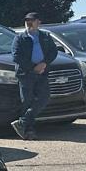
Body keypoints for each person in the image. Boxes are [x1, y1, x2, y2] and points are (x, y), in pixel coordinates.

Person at [10, 11, 59, 140]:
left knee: (44, 98)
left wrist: (44, 63)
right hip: (26, 74)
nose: (29, 23)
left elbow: (53, 52)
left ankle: (22, 122)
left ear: (38, 22)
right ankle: (28, 130)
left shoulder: (45, 36)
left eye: (31, 21)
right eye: (27, 21)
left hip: (42, 72)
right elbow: (16, 56)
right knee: (27, 101)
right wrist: (33, 67)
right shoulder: (20, 38)